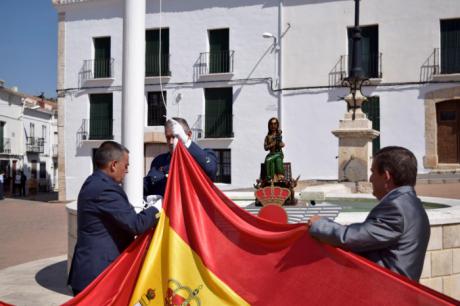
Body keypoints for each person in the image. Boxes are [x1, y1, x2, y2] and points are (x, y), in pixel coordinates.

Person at [308, 146, 430, 281]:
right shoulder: (412, 203)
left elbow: (351, 238)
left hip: (388, 294)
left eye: (373, 172)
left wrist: (319, 224)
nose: (371, 179)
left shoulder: (396, 208)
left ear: (386, 176)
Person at [68, 141, 160, 296]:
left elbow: (122, 215)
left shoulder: (96, 182)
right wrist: (157, 208)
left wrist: (147, 206)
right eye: (126, 166)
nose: (127, 171)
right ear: (113, 165)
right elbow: (135, 224)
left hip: (95, 272)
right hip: (97, 274)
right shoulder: (105, 189)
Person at [144, 117, 217, 197]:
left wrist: (186, 141)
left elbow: (211, 169)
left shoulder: (204, 155)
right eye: (168, 138)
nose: (171, 142)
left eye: (175, 137)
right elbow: (147, 185)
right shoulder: (159, 161)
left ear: (188, 135)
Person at [264, 117, 285, 182]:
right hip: (271, 154)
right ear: (269, 125)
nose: (273, 126)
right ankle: (271, 178)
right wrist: (272, 144)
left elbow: (281, 144)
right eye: (271, 124)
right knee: (270, 161)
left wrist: (281, 143)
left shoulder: (278, 135)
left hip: (278, 153)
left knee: (268, 160)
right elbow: (265, 148)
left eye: (275, 124)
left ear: (277, 125)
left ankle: (270, 177)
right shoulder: (267, 137)